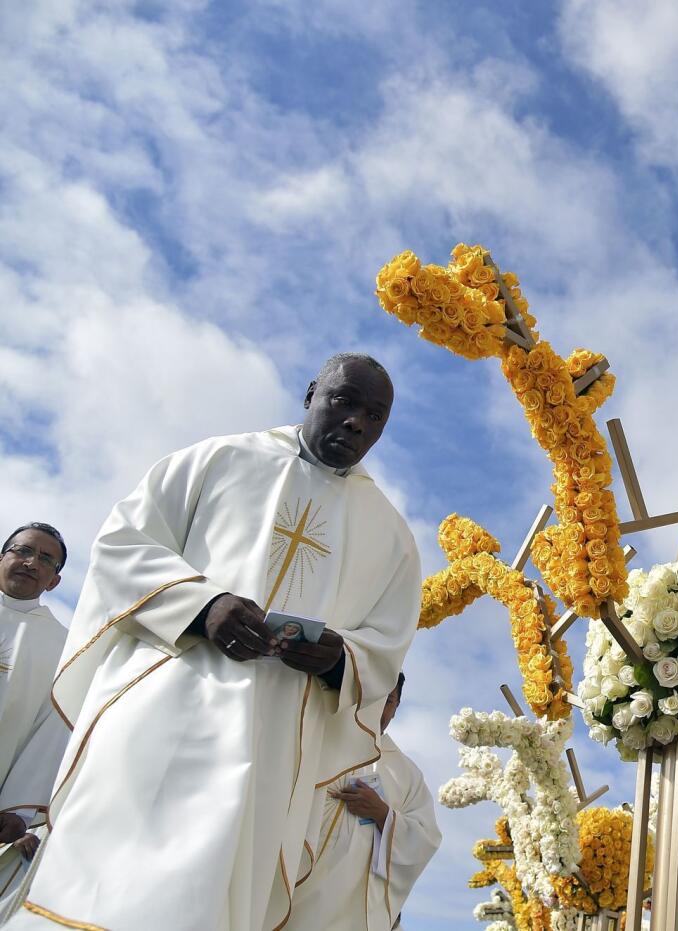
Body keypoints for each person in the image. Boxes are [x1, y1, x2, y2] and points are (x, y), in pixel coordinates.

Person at [11, 353, 422, 931]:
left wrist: (339, 659)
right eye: (343, 401)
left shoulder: (392, 535)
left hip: (274, 744)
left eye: (374, 415)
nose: (357, 422)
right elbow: (123, 545)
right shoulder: (219, 460)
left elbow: (386, 645)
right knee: (108, 878)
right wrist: (202, 605)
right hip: (167, 703)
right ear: (311, 394)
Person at [290, 672, 441, 931]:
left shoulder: (406, 773)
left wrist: (383, 814)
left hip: (352, 900)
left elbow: (426, 839)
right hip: (296, 877)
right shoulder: (318, 734)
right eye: (377, 696)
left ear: (396, 708)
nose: (381, 707)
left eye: (390, 700)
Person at [0, 524, 70, 918]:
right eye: (22, 551)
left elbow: (53, 727)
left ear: (56, 580)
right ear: (2, 556)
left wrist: (19, 810)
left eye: (46, 559)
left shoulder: (63, 646)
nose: (31, 562)